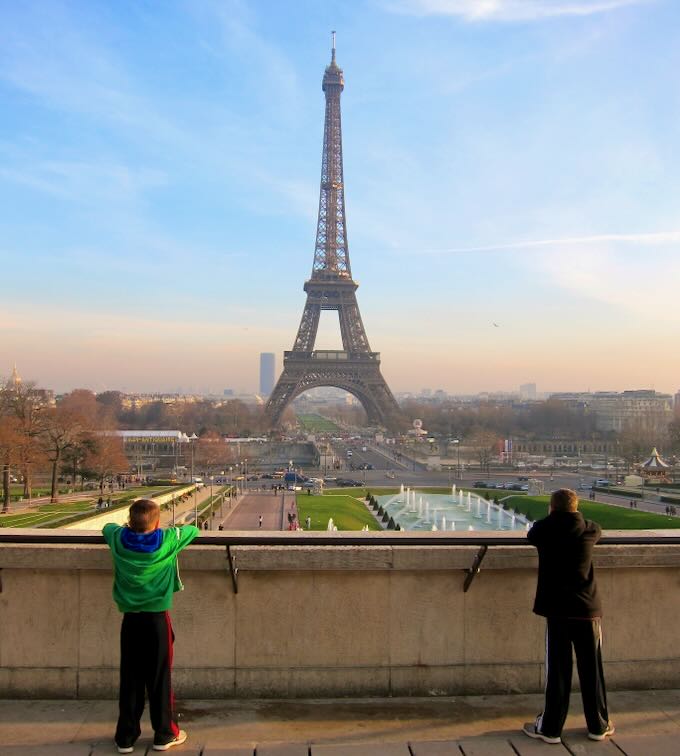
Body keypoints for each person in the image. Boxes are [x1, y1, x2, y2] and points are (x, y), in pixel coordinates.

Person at [103, 499, 199, 753]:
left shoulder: (117, 539)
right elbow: (193, 530)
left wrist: (126, 528)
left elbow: (108, 528)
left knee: (130, 677)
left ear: (130, 521)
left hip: (130, 619)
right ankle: (164, 733)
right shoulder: (168, 540)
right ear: (157, 522)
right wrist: (162, 529)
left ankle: (126, 736)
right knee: (159, 678)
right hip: (157, 619)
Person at [523, 488, 614, 745]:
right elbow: (594, 526)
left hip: (558, 610)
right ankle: (598, 724)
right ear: (576, 507)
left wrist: (551, 518)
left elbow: (533, 533)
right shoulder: (589, 530)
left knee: (558, 671)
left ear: (552, 508)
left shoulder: (543, 531)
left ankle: (551, 728)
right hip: (587, 609)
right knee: (592, 669)